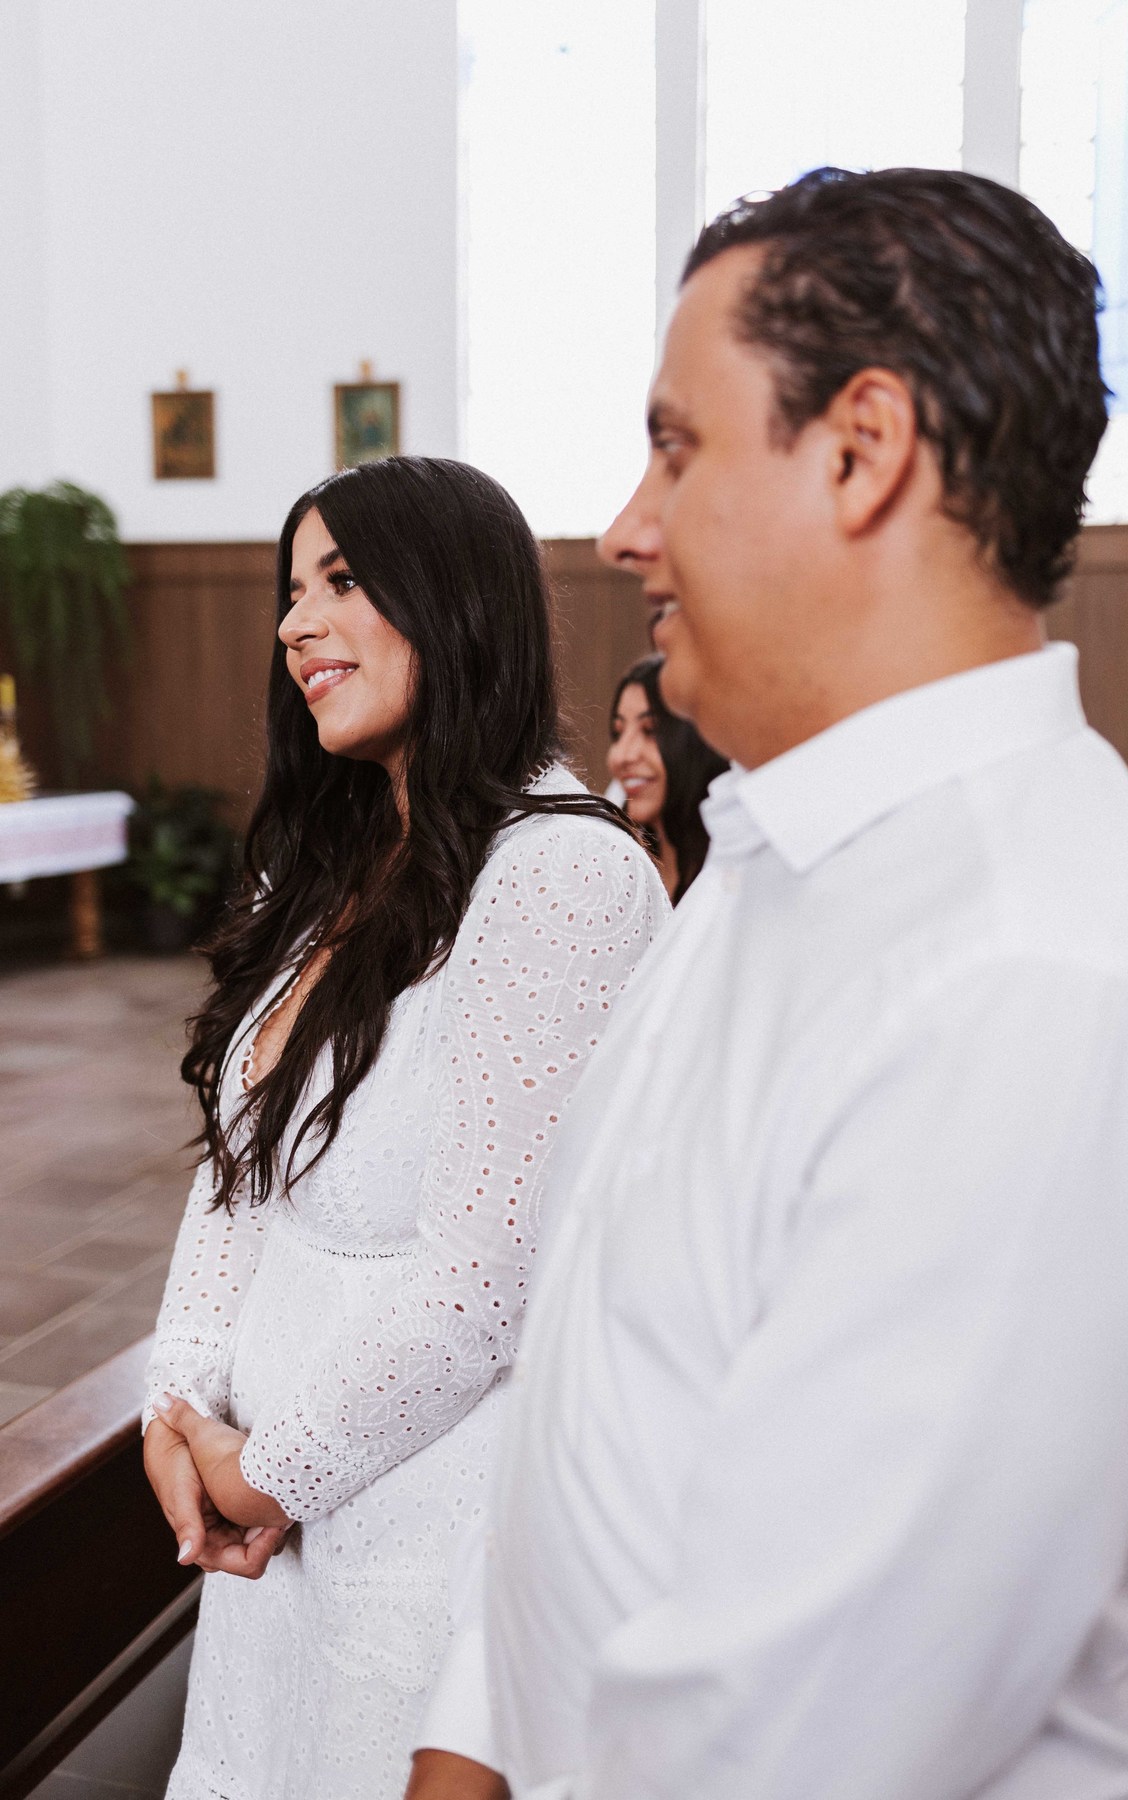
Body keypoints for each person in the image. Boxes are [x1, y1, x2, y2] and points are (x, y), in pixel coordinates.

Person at [413, 168, 1128, 1798]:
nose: (626, 528)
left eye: (677, 448)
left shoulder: (1039, 975)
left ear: (862, 449)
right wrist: (471, 1744)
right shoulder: (769, 849)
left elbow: (788, 1744)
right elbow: (595, 1402)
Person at [141, 455, 668, 1800]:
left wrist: (270, 1472)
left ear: (457, 600)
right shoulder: (328, 869)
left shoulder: (558, 873)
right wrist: (179, 1410)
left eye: (341, 582)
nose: (293, 624)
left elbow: (484, 1282)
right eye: (290, 590)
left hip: (423, 1534)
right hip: (270, 1537)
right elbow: (238, 1179)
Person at [607, 654, 728, 902]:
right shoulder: (615, 874)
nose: (621, 756)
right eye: (618, 734)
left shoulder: (732, 877)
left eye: (650, 730)